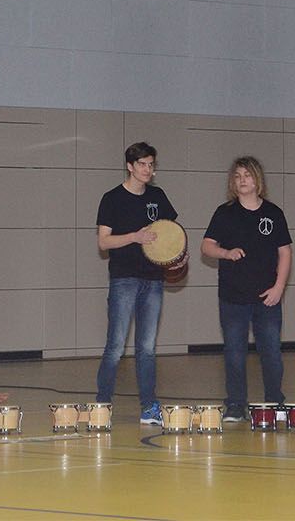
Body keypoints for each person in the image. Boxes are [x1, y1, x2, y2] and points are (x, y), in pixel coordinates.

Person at [94, 141, 180, 425]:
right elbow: (104, 242)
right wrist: (134, 237)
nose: (147, 169)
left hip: (153, 280)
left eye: (151, 164)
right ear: (130, 166)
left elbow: (170, 235)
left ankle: (149, 406)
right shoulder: (112, 198)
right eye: (142, 164)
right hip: (124, 279)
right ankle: (102, 405)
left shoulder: (158, 196)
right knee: (116, 346)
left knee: (147, 348)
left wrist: (177, 257)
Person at [201, 156, 292, 424]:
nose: (242, 180)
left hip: (267, 298)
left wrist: (279, 287)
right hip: (233, 297)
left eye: (248, 175)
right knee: (234, 353)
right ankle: (235, 405)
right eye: (238, 175)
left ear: (257, 180)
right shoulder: (224, 213)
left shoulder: (273, 213)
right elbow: (207, 246)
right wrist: (226, 253)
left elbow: (285, 253)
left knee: (271, 353)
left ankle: (275, 402)